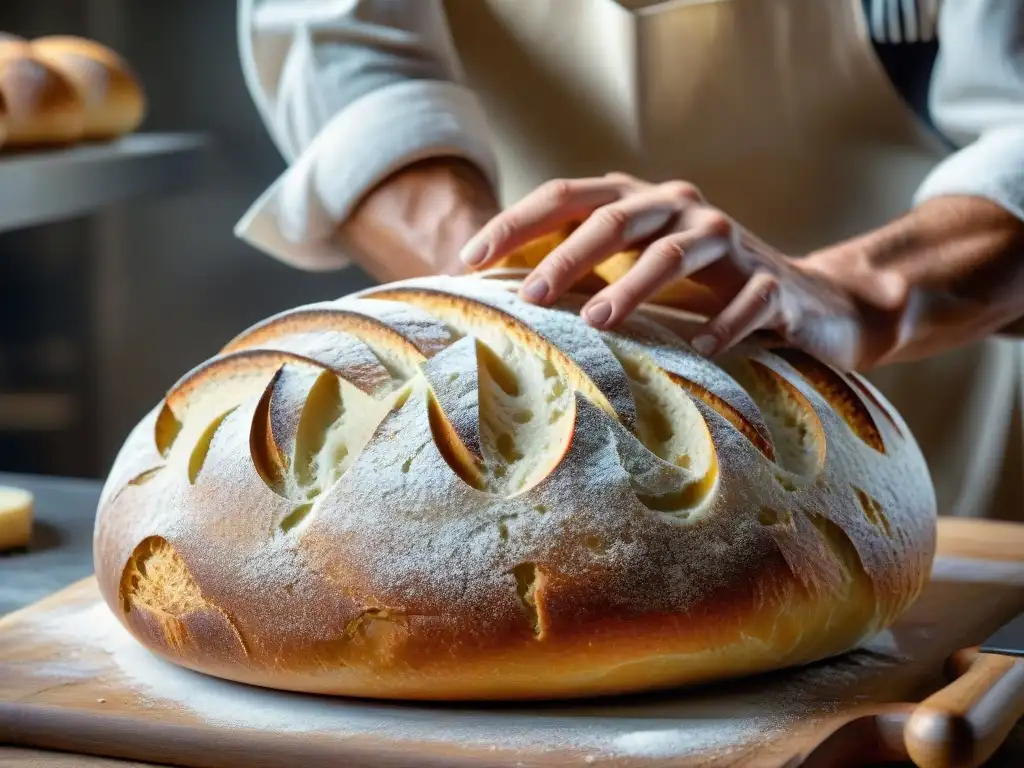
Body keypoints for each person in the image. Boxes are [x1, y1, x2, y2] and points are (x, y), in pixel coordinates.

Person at [236, 0, 1024, 519]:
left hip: (935, 432)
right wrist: (507, 292)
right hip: (510, 447)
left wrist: (858, 293)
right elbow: (354, 71)